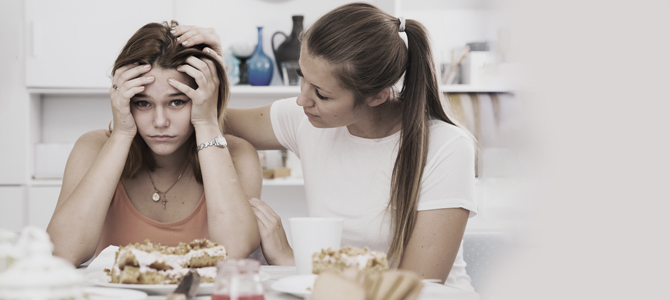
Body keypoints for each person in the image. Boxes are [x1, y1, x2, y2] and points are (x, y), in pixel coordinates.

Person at [172, 3, 478, 291]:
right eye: (301, 77)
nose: (302, 99)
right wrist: (213, 66)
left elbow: (413, 287)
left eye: (321, 93)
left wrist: (292, 260)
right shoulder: (306, 118)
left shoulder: (447, 147)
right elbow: (207, 118)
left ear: (377, 96)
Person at [47, 21, 262, 267]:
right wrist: (121, 134)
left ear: (206, 97)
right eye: (143, 103)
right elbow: (62, 254)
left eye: (177, 102)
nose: (160, 122)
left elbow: (234, 253)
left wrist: (206, 123)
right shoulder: (92, 148)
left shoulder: (237, 155)